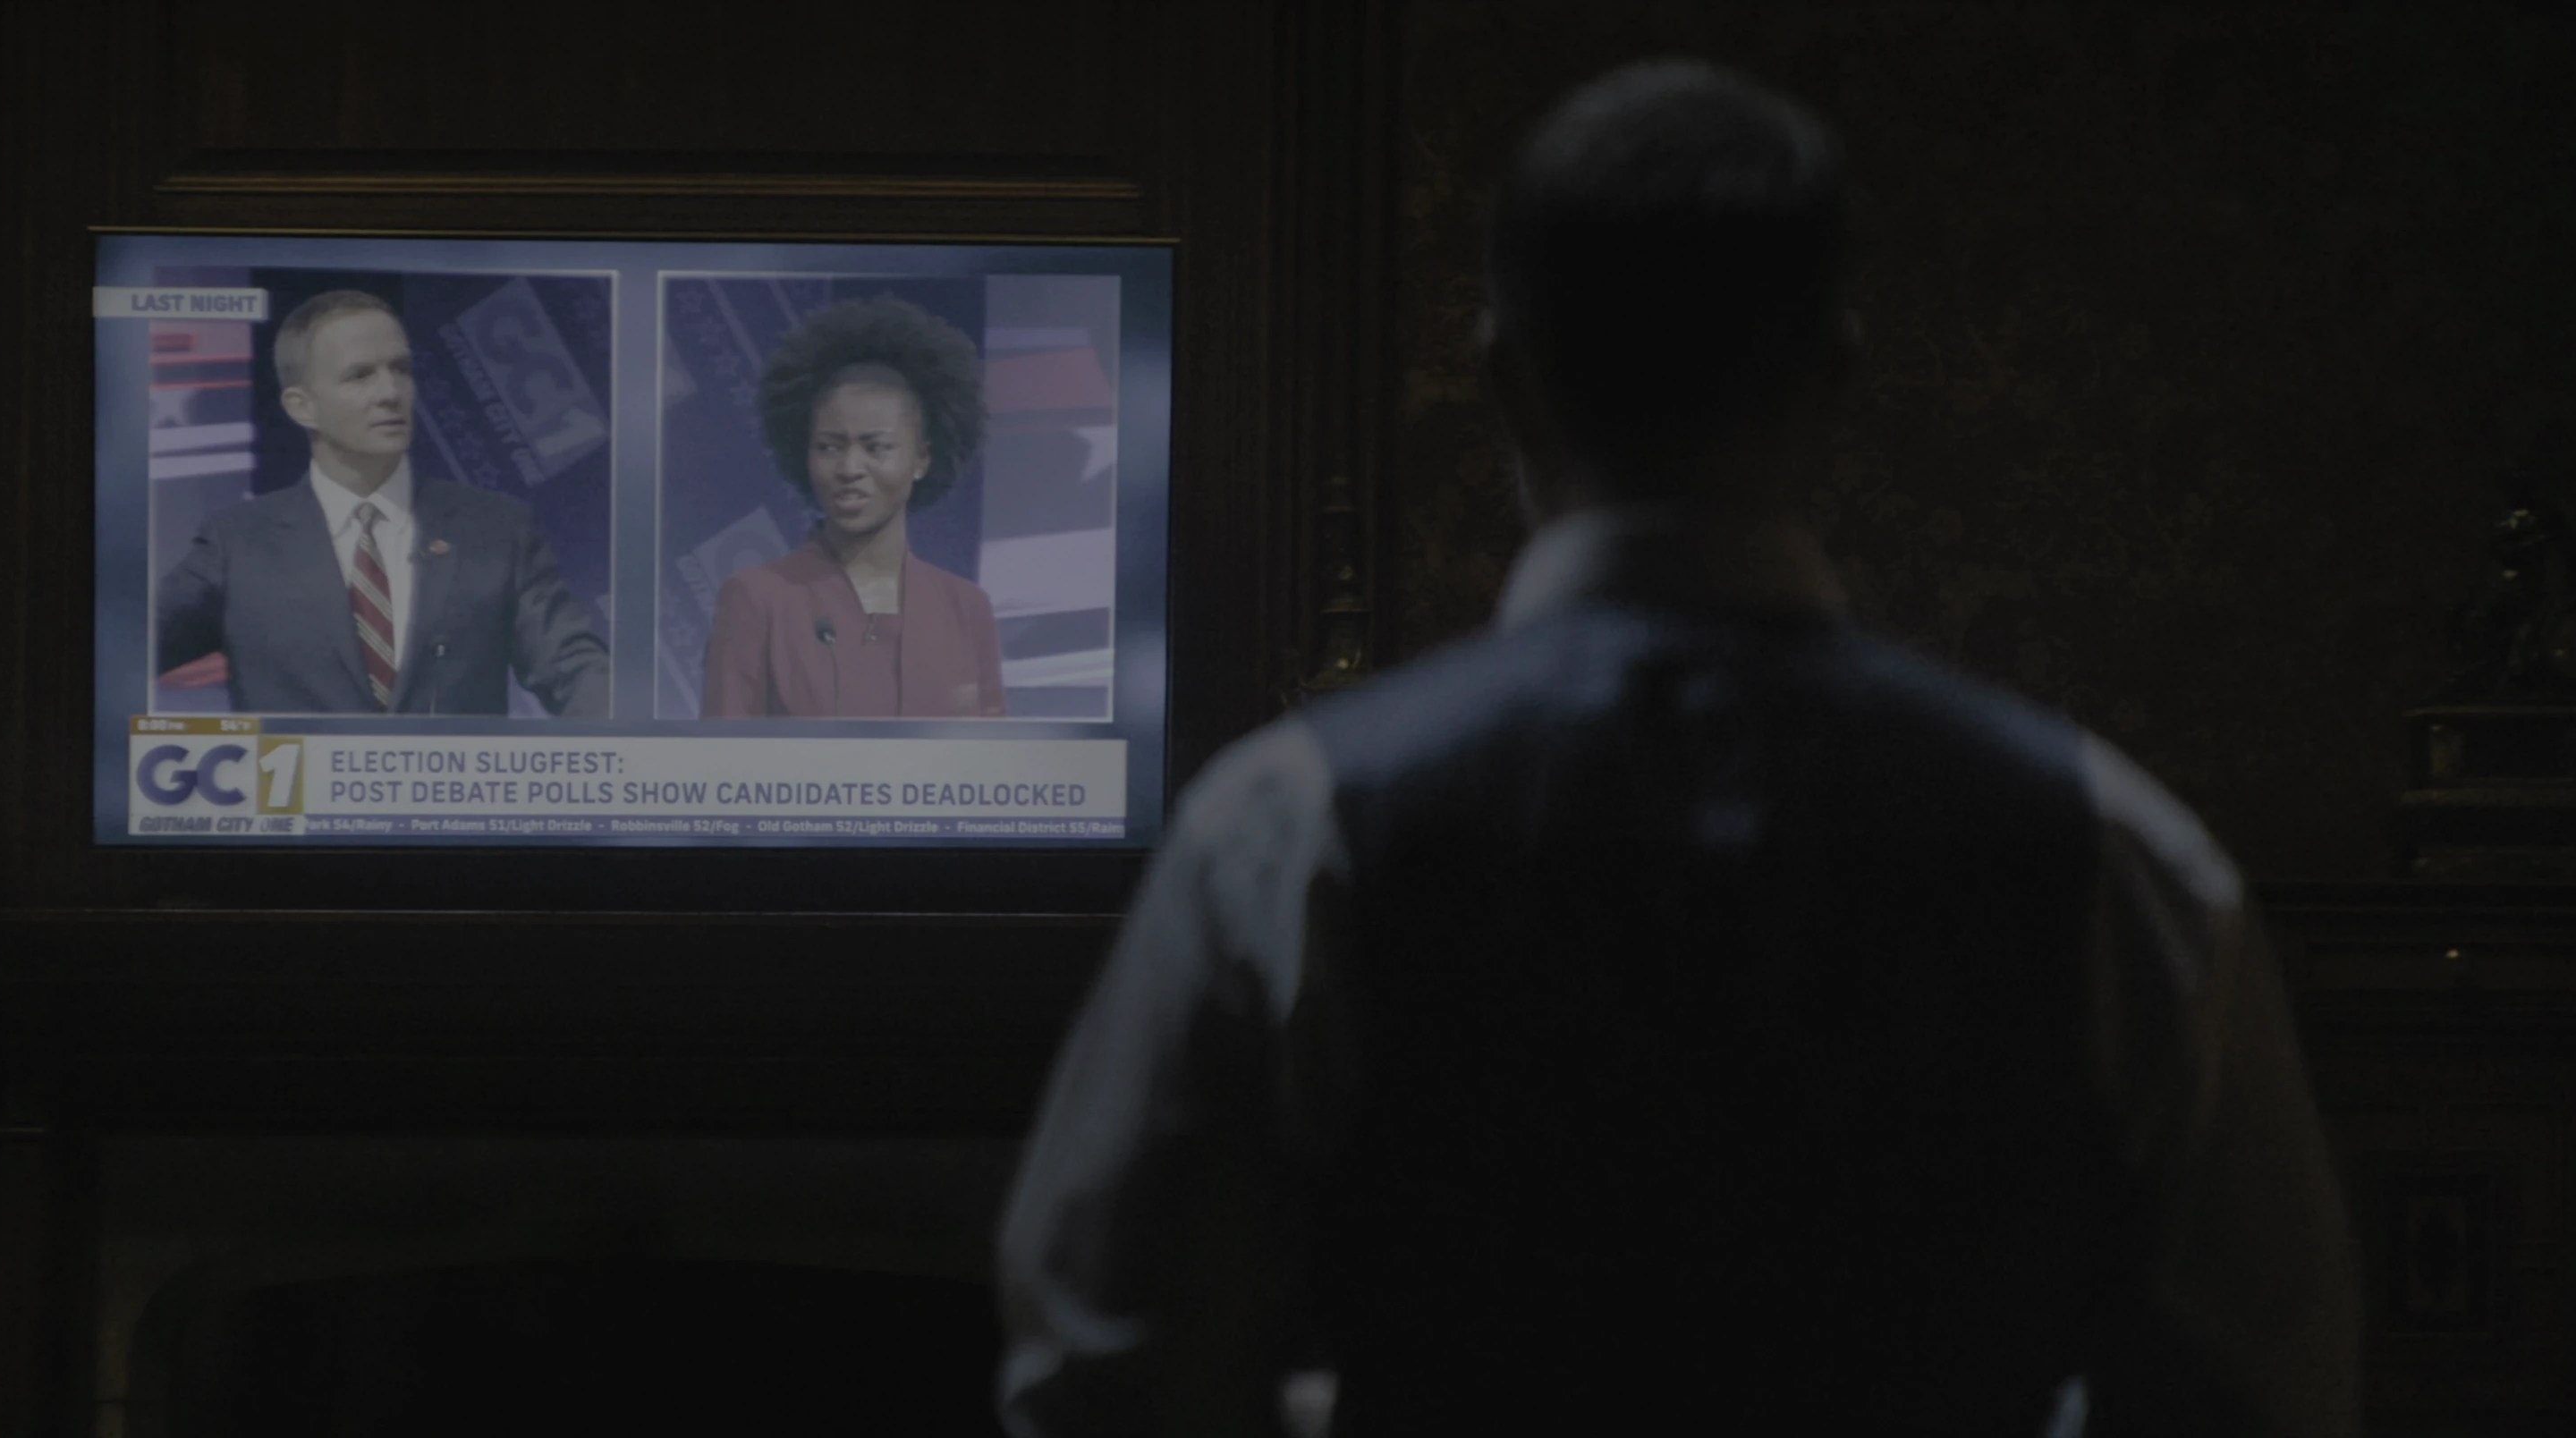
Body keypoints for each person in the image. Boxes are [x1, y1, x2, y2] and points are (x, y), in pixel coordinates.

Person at [996, 60, 2358, 1438]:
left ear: (1504, 380)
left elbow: (1111, 1381)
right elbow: (2264, 1399)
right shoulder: (2117, 854)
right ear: (1835, 379)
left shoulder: (1286, 834)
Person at [156, 288, 611, 716]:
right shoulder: (238, 543)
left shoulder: (497, 529)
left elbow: (574, 669)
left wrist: (634, 746)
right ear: (301, 406)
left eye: (401, 369)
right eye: (360, 375)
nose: (391, 392)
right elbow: (126, 649)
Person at [699, 296, 1007, 719]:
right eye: (829, 447)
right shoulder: (756, 599)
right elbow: (722, 752)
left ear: (921, 458)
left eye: (876, 447)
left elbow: (991, 755)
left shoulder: (966, 608)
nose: (849, 468)